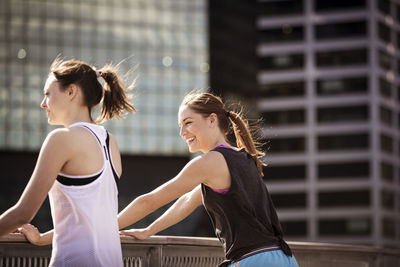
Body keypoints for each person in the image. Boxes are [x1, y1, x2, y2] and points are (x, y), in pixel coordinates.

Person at [118, 92, 299, 267]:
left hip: (253, 260)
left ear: (212, 120)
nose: (182, 132)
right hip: (283, 258)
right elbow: (187, 202)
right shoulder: (243, 157)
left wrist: (103, 228)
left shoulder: (208, 162)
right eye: (180, 125)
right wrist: (149, 230)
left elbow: (150, 201)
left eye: (188, 123)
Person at [0, 57, 135, 267]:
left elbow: (23, 212)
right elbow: (91, 219)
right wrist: (44, 237)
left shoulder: (61, 139)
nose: (42, 103)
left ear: (71, 92)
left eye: (47, 94)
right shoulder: (110, 142)